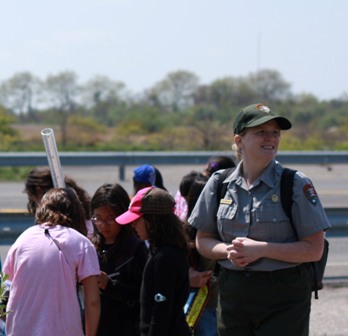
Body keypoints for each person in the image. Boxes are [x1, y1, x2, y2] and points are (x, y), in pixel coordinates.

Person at [188, 103, 331, 336]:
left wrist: (261, 250)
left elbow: (314, 249)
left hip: (283, 296)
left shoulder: (294, 183)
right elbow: (203, 240)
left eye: (275, 132)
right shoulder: (218, 183)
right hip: (232, 292)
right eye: (261, 132)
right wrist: (228, 251)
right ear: (239, 140)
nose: (270, 138)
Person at [3, 188, 101, 336]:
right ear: (77, 212)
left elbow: (4, 291)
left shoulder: (22, 240)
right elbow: (92, 301)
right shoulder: (82, 244)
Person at [116, 187, 191, 336]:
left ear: (153, 220)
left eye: (137, 219)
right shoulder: (163, 251)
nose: (133, 225)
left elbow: (160, 313)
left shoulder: (165, 258)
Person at [90, 183, 148, 336]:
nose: (103, 225)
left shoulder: (136, 248)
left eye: (110, 219)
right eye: (97, 218)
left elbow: (144, 292)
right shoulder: (90, 247)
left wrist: (110, 285)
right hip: (96, 327)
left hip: (126, 327)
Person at [185, 176, 219, 336]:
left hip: (223, 306)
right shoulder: (182, 234)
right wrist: (188, 277)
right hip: (197, 306)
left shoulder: (227, 229)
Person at [24, 167, 94, 238]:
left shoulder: (58, 212)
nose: (36, 205)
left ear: (38, 191)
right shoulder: (75, 199)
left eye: (32, 198)